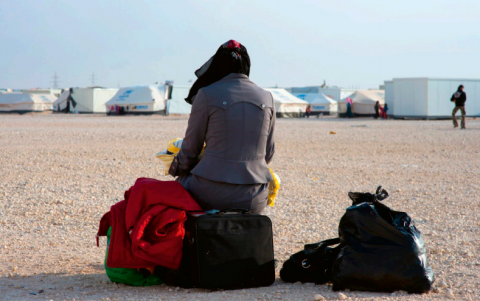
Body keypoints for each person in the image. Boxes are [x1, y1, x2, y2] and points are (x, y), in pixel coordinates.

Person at [168, 40, 275, 214]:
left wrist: (176, 168)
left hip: (209, 194)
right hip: (254, 197)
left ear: (217, 66)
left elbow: (190, 150)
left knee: (180, 185)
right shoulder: (267, 97)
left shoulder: (206, 94)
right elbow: (268, 154)